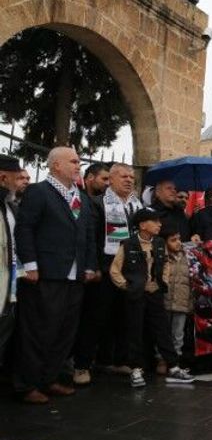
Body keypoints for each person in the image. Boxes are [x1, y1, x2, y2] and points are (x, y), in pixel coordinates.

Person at [15, 147, 98, 404]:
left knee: (64, 331)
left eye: (79, 161)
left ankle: (49, 378)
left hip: (74, 277)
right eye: (73, 161)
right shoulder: (39, 192)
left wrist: (89, 266)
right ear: (56, 166)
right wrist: (30, 264)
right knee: (39, 330)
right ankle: (26, 384)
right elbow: (25, 228)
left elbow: (87, 235)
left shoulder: (80, 197)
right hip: (46, 273)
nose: (78, 165)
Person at [73, 162, 143, 385]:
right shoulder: (97, 203)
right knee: (95, 318)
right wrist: (92, 266)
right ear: (110, 180)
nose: (129, 180)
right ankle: (82, 365)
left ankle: (115, 359)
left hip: (130, 270)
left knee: (124, 318)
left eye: (131, 177)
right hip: (104, 268)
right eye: (123, 176)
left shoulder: (137, 204)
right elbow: (90, 238)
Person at [109, 208, 194, 387]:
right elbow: (115, 270)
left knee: (162, 329)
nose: (159, 225)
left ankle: (173, 366)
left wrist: (162, 282)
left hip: (155, 292)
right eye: (155, 221)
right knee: (135, 330)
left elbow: (165, 266)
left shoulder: (159, 243)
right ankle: (136, 369)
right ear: (142, 225)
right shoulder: (128, 244)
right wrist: (127, 286)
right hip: (135, 294)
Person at [0, 154, 22, 370]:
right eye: (16, 179)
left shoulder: (11, 207)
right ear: (3, 177)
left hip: (9, 287)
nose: (19, 184)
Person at [161, 223, 192, 363]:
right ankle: (161, 358)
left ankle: (176, 358)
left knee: (178, 333)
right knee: (163, 331)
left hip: (182, 301)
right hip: (165, 300)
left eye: (179, 239)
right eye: (173, 240)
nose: (178, 243)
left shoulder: (188, 257)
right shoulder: (162, 257)